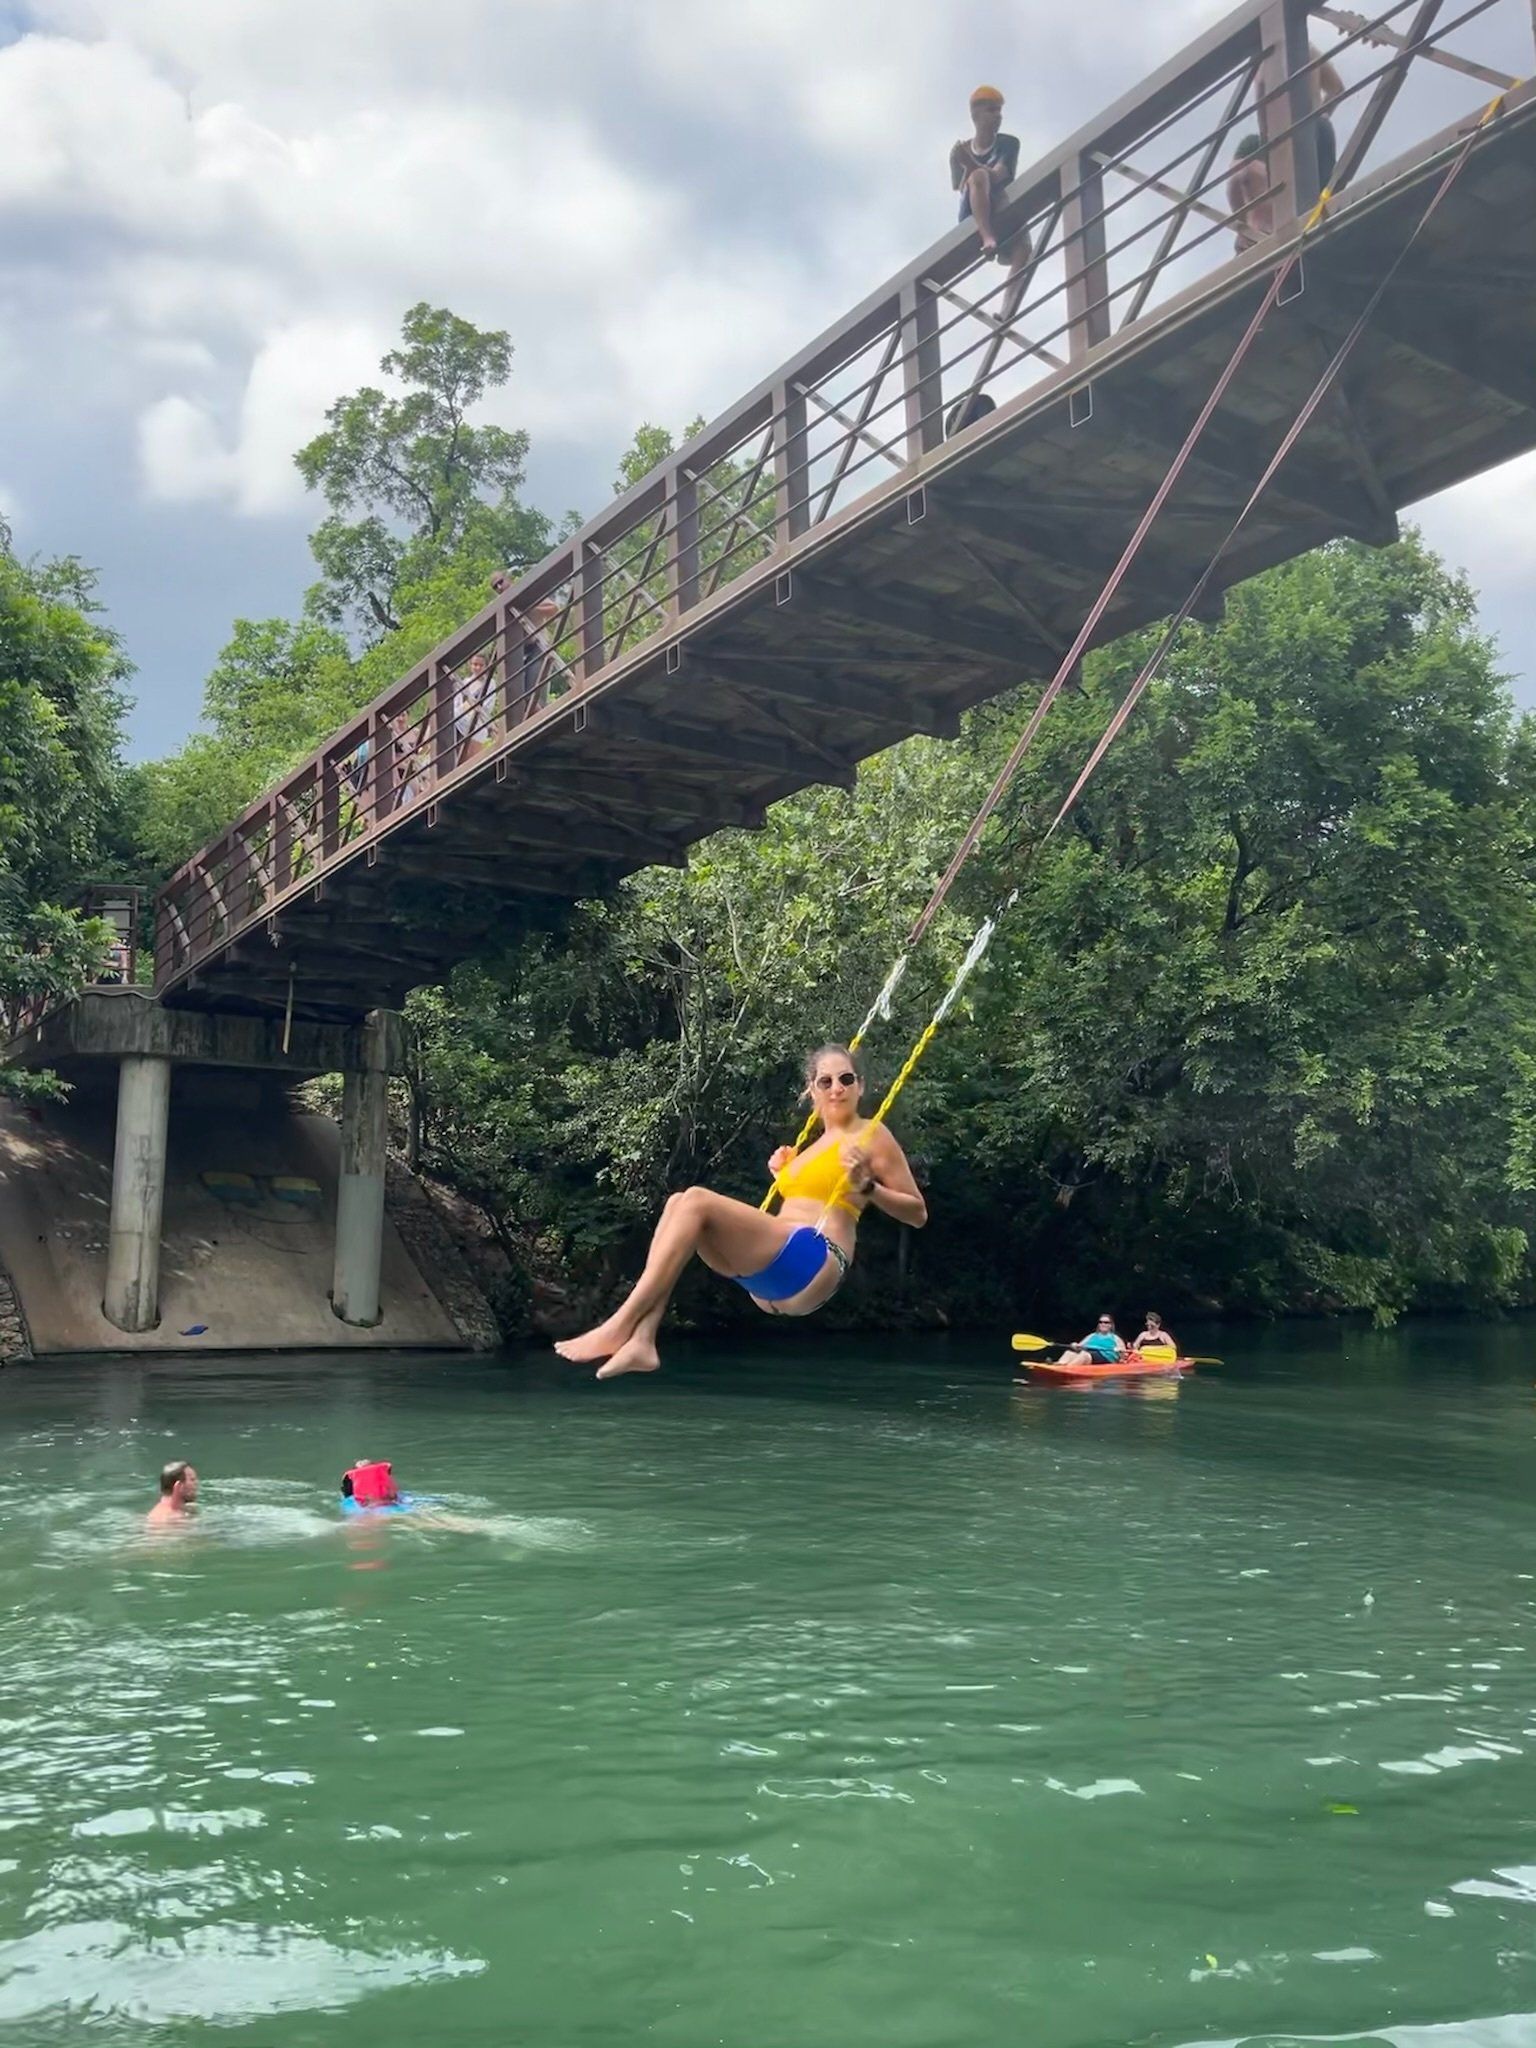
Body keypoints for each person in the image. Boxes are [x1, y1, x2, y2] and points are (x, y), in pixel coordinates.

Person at [555, 1044, 927, 1380]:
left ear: (860, 1086)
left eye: (846, 1079)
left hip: (816, 1259)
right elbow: (803, 1196)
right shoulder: (811, 1149)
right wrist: (785, 1174)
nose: (836, 1088)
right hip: (770, 1280)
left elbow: (917, 1214)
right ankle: (643, 1340)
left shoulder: (870, 1135)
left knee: (697, 1200)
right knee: (678, 1204)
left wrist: (868, 1188)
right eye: (825, 1081)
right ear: (811, 1091)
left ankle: (621, 1323)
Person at [1227, 135, 1274, 250]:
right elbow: (1239, 172)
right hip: (1265, 237)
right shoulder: (1255, 143)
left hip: (1253, 240)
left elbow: (1236, 173)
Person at [1309, 40, 1344, 190]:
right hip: (1320, 125)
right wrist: (1322, 114)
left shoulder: (1272, 55)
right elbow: (1337, 89)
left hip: (1293, 131)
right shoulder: (1311, 50)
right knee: (1327, 190)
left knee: (1298, 198)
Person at [453, 652, 496, 764]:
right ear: (470, 665)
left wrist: (470, 707)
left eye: (480, 665)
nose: (477, 668)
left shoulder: (490, 683)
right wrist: (464, 708)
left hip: (477, 721)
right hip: (460, 717)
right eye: (474, 664)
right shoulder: (464, 682)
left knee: (471, 759)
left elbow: (487, 706)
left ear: (485, 666)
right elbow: (456, 702)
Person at [1058, 1316, 1126, 1369]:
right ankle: (1058, 1366)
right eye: (1100, 1322)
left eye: (1106, 1322)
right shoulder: (1091, 1336)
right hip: (1089, 1355)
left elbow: (1124, 1355)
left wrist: (1120, 1352)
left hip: (1105, 1357)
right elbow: (1079, 1347)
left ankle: (1067, 1369)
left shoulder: (1115, 1338)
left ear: (1111, 1325)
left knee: (1084, 1355)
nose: (1103, 1324)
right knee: (1069, 1353)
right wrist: (1075, 1345)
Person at [147, 1459, 199, 1524]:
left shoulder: (160, 1511)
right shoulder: (173, 1519)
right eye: (192, 1479)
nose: (197, 1483)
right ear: (178, 1486)